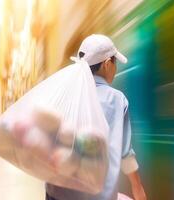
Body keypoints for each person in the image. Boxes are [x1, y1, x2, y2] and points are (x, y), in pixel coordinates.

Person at [46, 34, 147, 200]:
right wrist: (138, 187)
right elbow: (125, 154)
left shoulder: (65, 95)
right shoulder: (116, 99)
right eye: (115, 63)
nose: (116, 69)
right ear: (107, 64)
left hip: (55, 193)